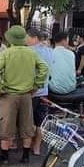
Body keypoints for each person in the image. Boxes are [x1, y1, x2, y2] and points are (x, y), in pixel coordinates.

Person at [0, 25, 49, 164]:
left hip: (9, 95)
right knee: (27, 125)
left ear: (10, 39)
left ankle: (4, 156)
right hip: (27, 95)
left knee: (7, 125)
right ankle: (25, 156)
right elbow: (44, 68)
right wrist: (36, 85)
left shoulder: (6, 53)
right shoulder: (31, 53)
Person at [27, 28, 54, 157]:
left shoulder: (29, 51)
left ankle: (27, 144)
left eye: (27, 38)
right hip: (44, 91)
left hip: (31, 91)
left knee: (28, 120)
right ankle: (37, 147)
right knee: (40, 121)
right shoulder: (49, 51)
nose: (26, 41)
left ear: (34, 38)